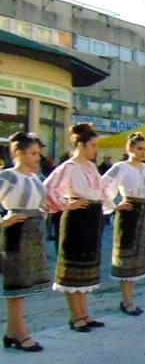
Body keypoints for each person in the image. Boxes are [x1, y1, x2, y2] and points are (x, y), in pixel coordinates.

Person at [44, 123, 110, 332]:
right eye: (92, 145)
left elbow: (100, 192)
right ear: (80, 145)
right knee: (73, 266)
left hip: (91, 217)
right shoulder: (69, 166)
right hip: (76, 218)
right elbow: (48, 188)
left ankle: (84, 312)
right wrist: (66, 204)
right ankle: (75, 316)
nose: (95, 150)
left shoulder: (90, 167)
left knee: (86, 266)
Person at [1, 132, 50, 352]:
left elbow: (40, 201)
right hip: (16, 231)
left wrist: (42, 212)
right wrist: (4, 220)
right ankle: (21, 333)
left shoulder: (34, 177)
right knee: (17, 286)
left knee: (25, 286)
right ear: (18, 153)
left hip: (33, 233)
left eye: (38, 153)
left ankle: (11, 332)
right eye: (32, 153)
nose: (37, 158)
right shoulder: (8, 176)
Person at [101, 132, 145, 316]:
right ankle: (125, 300)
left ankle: (130, 297)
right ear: (130, 149)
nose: (143, 152)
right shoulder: (121, 167)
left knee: (137, 254)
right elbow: (103, 185)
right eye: (139, 149)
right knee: (126, 253)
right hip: (128, 211)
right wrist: (114, 205)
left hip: (142, 211)